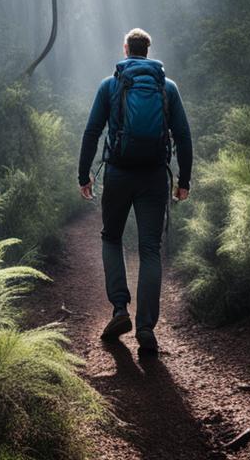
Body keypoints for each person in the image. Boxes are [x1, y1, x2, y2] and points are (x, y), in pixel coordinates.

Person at [77, 27, 193, 354]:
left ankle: (119, 310)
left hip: (117, 174)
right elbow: (183, 137)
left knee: (111, 238)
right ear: (148, 50)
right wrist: (183, 182)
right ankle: (146, 330)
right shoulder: (166, 87)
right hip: (154, 177)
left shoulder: (109, 85)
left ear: (125, 49)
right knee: (150, 250)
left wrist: (84, 175)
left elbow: (92, 132)